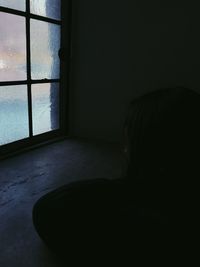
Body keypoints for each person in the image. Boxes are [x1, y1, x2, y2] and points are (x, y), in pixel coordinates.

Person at [32, 87, 200, 264]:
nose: (124, 148)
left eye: (129, 141)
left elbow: (48, 210)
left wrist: (124, 185)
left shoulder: (153, 229)